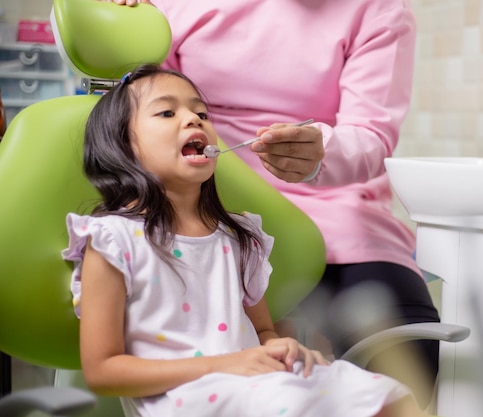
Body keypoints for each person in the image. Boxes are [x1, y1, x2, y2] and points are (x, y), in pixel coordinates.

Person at [106, 0, 441, 407]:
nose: (194, 119)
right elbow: (138, 100)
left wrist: (323, 153)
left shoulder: (379, 11)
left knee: (411, 353)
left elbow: (371, 135)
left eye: (200, 112)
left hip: (333, 213)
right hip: (208, 203)